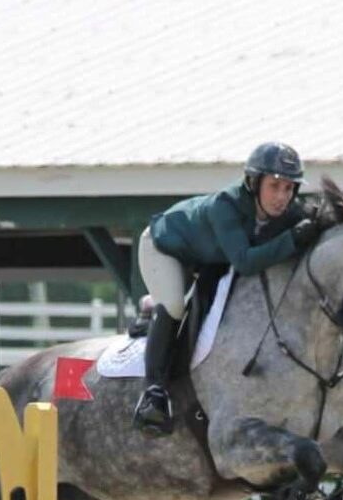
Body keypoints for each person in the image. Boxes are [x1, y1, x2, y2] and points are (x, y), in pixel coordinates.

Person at [133, 141, 322, 436]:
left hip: (206, 257)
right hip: (164, 248)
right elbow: (245, 262)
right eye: (274, 186)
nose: (282, 197)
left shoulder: (286, 212)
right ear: (253, 183)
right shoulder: (226, 205)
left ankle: (155, 306)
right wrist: (293, 239)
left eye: (289, 188)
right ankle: (154, 392)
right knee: (175, 306)